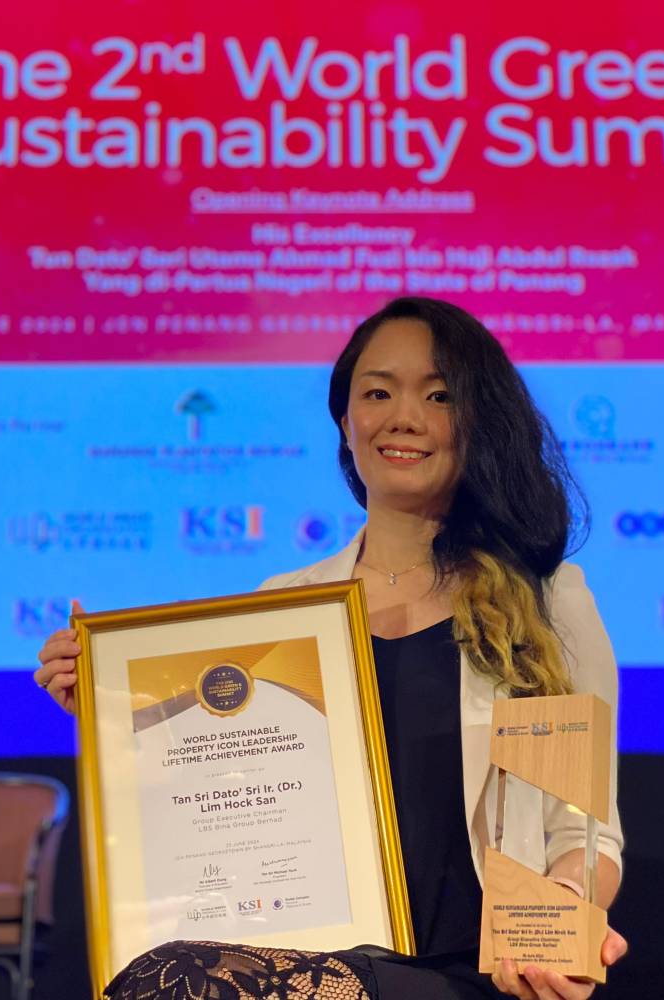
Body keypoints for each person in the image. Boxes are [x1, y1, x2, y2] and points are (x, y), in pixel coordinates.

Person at [36, 297, 627, 1000]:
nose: (403, 417)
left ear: (478, 421)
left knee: (175, 982)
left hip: (474, 976)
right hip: (311, 961)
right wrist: (111, 715)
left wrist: (560, 915)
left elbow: (585, 835)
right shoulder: (284, 608)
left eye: (438, 396)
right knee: (163, 973)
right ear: (345, 422)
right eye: (377, 393)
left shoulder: (541, 606)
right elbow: (222, 799)